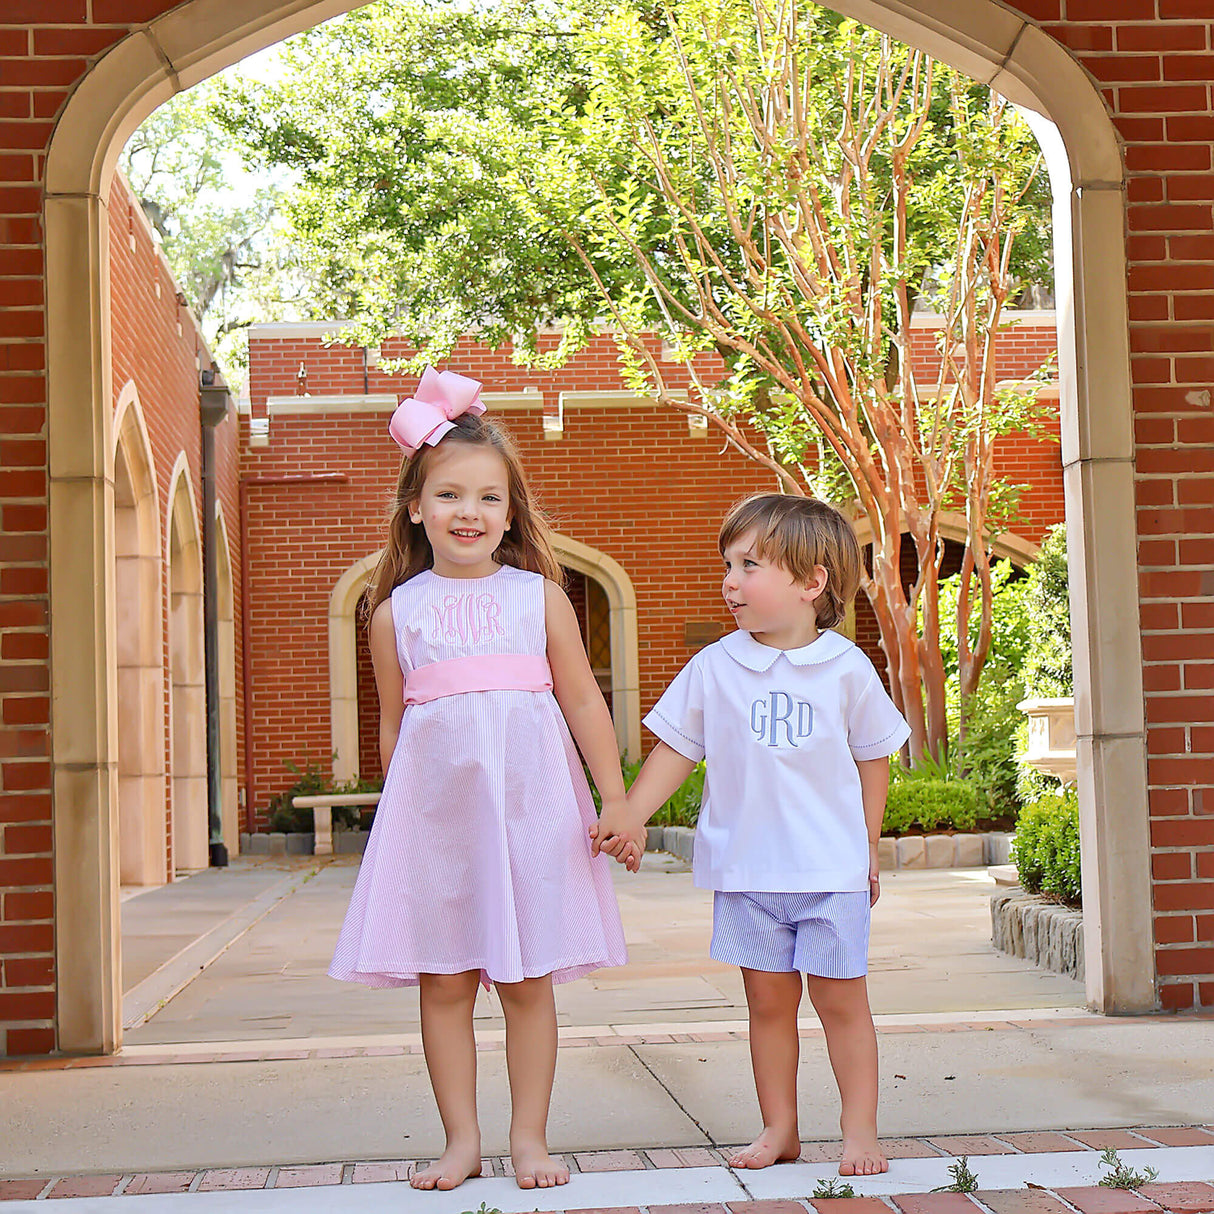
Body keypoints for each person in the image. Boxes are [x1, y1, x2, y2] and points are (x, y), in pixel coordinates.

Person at [330, 368, 630, 1192]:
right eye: (451, 496)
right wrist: (401, 827)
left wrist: (616, 798)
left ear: (511, 511)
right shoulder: (395, 613)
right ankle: (460, 1141)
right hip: (439, 825)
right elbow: (397, 727)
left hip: (533, 812)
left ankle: (528, 1139)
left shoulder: (539, 598)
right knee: (445, 982)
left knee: (528, 980)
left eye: (490, 498)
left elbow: (581, 699)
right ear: (417, 508)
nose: (471, 513)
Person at [594, 492, 909, 1178]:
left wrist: (867, 847)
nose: (729, 581)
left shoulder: (846, 668)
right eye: (727, 565)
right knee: (768, 1005)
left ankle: (860, 1131)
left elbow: (873, 760)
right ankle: (780, 1129)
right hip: (747, 873)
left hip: (828, 872)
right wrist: (632, 812)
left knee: (841, 1001)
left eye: (749, 565)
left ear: (811, 582)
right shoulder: (716, 666)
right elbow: (676, 749)